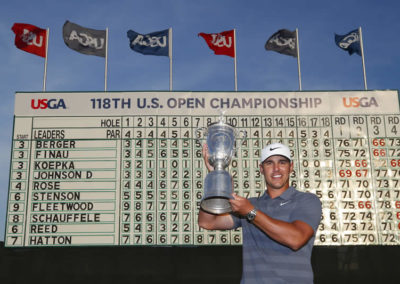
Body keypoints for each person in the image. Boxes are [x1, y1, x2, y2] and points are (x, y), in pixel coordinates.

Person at [198, 142, 322, 284]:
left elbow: (296, 239)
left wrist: (251, 212)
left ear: (291, 167)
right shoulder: (251, 204)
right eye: (269, 163)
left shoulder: (306, 200)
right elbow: (207, 221)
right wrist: (217, 178)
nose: (276, 169)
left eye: (282, 162)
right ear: (261, 169)